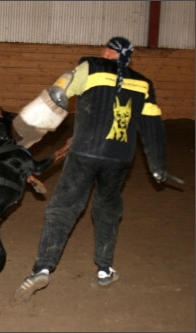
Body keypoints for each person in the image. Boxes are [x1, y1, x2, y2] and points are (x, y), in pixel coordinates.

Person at [12, 36, 167, 301]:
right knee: (107, 210)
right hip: (120, 158)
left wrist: (27, 129)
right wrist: (157, 166)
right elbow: (152, 126)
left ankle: (43, 268)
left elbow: (58, 95)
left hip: (86, 150)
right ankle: (105, 270)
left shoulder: (91, 68)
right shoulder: (144, 83)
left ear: (108, 52)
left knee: (63, 208)